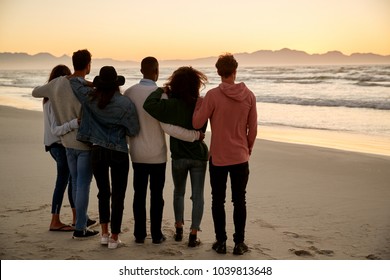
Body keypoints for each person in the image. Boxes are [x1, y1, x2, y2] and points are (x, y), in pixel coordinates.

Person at [124, 57, 204, 245]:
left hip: (136, 152)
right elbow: (168, 127)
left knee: (139, 194)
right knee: (156, 196)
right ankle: (157, 235)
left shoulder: (128, 92)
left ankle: (139, 234)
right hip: (158, 154)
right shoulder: (162, 95)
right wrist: (194, 135)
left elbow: (126, 121)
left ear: (141, 69)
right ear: (157, 71)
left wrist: (129, 142)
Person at [192, 53, 257, 255]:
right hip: (240, 156)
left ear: (219, 72)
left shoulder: (212, 96)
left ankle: (221, 242)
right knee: (239, 200)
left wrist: (198, 105)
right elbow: (252, 129)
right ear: (235, 71)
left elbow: (196, 124)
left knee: (217, 200)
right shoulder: (248, 95)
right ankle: (239, 243)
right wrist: (248, 148)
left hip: (218, 157)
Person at [70, 66, 139, 249]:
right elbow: (134, 130)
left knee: (103, 193)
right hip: (118, 151)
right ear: (117, 84)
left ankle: (104, 234)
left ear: (100, 82)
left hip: (97, 150)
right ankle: (114, 238)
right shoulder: (125, 103)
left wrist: (94, 84)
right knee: (118, 195)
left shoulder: (90, 98)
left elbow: (74, 81)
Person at [32, 49, 99, 239]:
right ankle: (79, 226)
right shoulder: (84, 89)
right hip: (82, 142)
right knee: (80, 184)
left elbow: (35, 91)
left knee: (75, 183)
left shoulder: (58, 84)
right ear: (88, 65)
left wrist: (55, 84)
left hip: (67, 144)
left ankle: (80, 221)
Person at [143, 66, 209, 247]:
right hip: (198, 156)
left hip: (178, 156)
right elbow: (202, 129)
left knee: (178, 192)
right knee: (198, 195)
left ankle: (179, 228)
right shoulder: (200, 103)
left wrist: (160, 90)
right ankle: (193, 234)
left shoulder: (170, 105)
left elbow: (149, 105)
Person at [43, 65, 76, 231]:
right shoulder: (54, 101)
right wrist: (74, 123)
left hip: (54, 144)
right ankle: (55, 221)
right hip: (58, 145)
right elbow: (56, 129)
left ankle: (76, 217)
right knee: (64, 180)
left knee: (68, 179)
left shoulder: (49, 98)